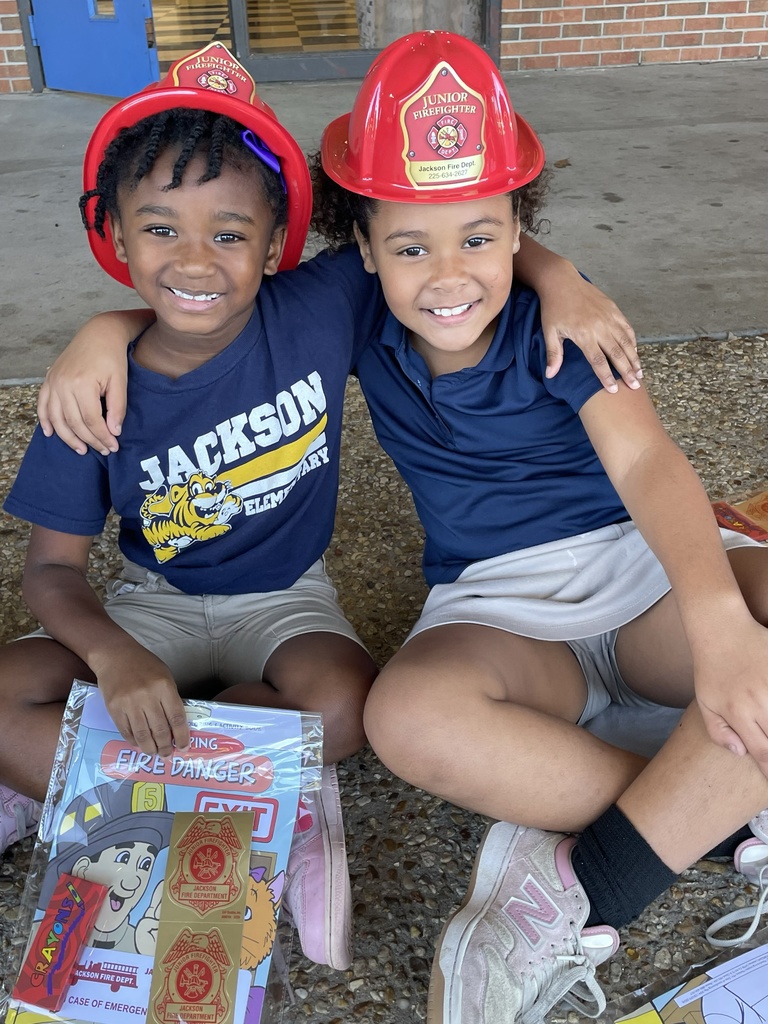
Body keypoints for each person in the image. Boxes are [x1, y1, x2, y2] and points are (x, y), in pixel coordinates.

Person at [0, 39, 642, 982]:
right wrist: (118, 656)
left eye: (229, 233)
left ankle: (134, 786)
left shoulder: (324, 302)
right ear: (115, 235)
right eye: (159, 228)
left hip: (287, 603)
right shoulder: (90, 390)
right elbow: (52, 573)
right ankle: (265, 805)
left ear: (275, 243)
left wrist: (563, 275)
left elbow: (439, 225)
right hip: (151, 604)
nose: (195, 259)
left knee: (342, 708)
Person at [308, 30, 768, 1021]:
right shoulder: (356, 306)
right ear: (363, 245)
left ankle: (575, 874)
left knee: (754, 623)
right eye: (409, 246)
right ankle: (711, 806)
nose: (446, 276)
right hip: (498, 609)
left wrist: (723, 629)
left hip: (635, 577)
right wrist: (99, 336)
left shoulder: (561, 323)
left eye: (480, 237)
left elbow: (646, 462)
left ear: (518, 226)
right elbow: (242, 245)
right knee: (405, 718)